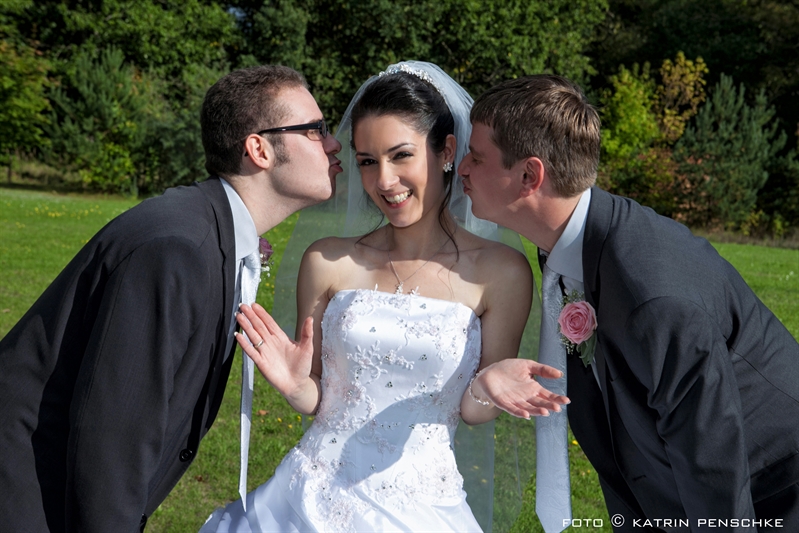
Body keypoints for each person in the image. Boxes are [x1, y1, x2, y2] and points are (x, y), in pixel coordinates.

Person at [200, 61, 568, 533]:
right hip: (306, 499)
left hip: (421, 506)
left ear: (447, 152)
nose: (384, 182)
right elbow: (318, 393)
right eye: (368, 162)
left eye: (401, 156)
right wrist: (296, 389)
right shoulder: (327, 261)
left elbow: (473, 411)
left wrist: (489, 384)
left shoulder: (502, 272)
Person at [0, 65, 343, 532]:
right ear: (259, 148)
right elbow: (112, 438)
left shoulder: (206, 229)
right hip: (26, 496)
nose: (333, 143)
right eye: (315, 130)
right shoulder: (178, 247)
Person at [460, 74, 799, 532]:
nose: (461, 168)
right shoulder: (571, 247)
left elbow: (711, 460)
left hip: (773, 496)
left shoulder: (652, 294)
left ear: (529, 176)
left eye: (476, 157)